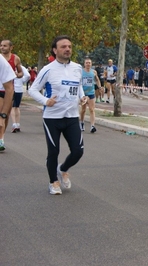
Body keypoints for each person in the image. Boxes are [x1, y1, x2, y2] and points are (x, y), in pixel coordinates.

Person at [29, 35, 88, 195]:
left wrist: (82, 96)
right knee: (53, 151)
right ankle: (53, 182)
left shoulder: (77, 68)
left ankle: (62, 169)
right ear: (55, 50)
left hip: (71, 116)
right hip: (52, 118)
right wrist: (45, 101)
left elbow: (79, 85)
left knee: (78, 151)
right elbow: (32, 90)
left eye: (69, 46)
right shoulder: (48, 69)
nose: (67, 49)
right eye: (63, 46)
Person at [1, 39, 23, 151]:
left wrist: (16, 75)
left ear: (11, 47)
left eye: (5, 46)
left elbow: (21, 73)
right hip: (0, 89)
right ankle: (1, 138)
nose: (2, 47)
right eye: (1, 45)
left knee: (6, 115)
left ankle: (2, 136)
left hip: (9, 90)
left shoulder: (16, 58)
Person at [80, 57, 101, 133]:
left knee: (92, 109)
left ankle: (92, 126)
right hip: (83, 93)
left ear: (91, 64)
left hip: (91, 92)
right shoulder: (81, 72)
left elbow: (97, 80)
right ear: (84, 64)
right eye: (86, 63)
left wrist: (99, 87)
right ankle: (81, 123)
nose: (88, 64)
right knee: (83, 110)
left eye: (89, 63)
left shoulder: (94, 72)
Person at [0, 55, 16, 152]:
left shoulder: (3, 61)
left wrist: (3, 114)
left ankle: (1, 139)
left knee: (3, 120)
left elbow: (9, 88)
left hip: (2, 91)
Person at [11, 65, 30, 133]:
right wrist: (22, 80)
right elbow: (28, 75)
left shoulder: (10, 66)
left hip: (12, 88)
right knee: (17, 107)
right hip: (19, 89)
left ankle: (14, 124)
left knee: (12, 107)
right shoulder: (21, 67)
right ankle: (18, 124)